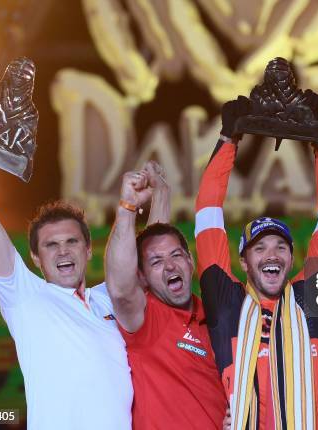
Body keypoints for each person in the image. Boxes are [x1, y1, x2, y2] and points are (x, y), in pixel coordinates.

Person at [0, 89, 133, 430]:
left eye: (71, 242)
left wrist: (146, 201)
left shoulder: (114, 298)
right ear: (34, 257)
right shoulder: (25, 295)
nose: (63, 250)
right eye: (51, 245)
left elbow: (154, 253)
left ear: (88, 249)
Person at [195, 91, 318, 429]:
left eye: (281, 246)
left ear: (292, 259)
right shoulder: (226, 302)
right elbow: (208, 217)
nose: (272, 254)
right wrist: (228, 140)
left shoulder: (310, 296)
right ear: (244, 262)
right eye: (260, 248)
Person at [105, 162, 227, 429]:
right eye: (157, 263)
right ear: (143, 278)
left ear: (190, 261)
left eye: (176, 256)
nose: (170, 266)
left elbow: (156, 241)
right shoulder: (148, 319)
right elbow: (119, 289)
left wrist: (162, 194)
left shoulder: (217, 319)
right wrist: (127, 207)